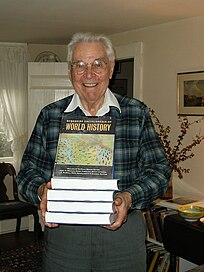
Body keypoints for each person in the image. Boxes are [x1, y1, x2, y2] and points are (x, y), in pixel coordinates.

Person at [17, 32, 172, 272]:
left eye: (97, 64)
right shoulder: (50, 116)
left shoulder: (136, 113)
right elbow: (26, 173)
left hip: (122, 233)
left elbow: (160, 171)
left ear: (111, 69)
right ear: (70, 72)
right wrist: (41, 191)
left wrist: (129, 197)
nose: (89, 74)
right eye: (80, 65)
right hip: (64, 235)